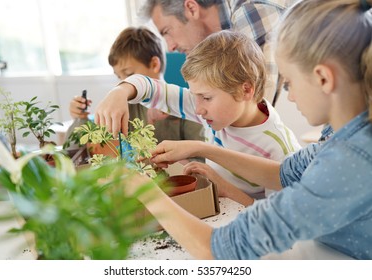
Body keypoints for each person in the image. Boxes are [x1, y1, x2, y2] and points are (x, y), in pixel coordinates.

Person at [123, 0, 372, 259]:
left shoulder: (352, 160)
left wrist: (146, 191)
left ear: (323, 78)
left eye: (289, 83)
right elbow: (285, 174)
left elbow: (217, 249)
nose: (291, 95)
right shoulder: (342, 136)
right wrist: (199, 147)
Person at [94, 30, 301, 206]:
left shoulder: (278, 148)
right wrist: (119, 92)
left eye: (206, 97)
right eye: (195, 96)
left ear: (245, 90)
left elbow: (278, 219)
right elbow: (150, 88)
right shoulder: (211, 110)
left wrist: (224, 187)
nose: (198, 109)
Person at [139, 0, 297, 105]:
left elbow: (253, 111)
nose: (170, 46)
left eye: (167, 31)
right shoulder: (229, 36)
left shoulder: (249, 12)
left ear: (191, 8)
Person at [65, 26, 204, 145]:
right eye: (119, 76)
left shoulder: (183, 106)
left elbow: (203, 159)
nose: (123, 83)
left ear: (154, 64)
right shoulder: (124, 107)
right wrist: (80, 119)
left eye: (129, 74)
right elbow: (81, 150)